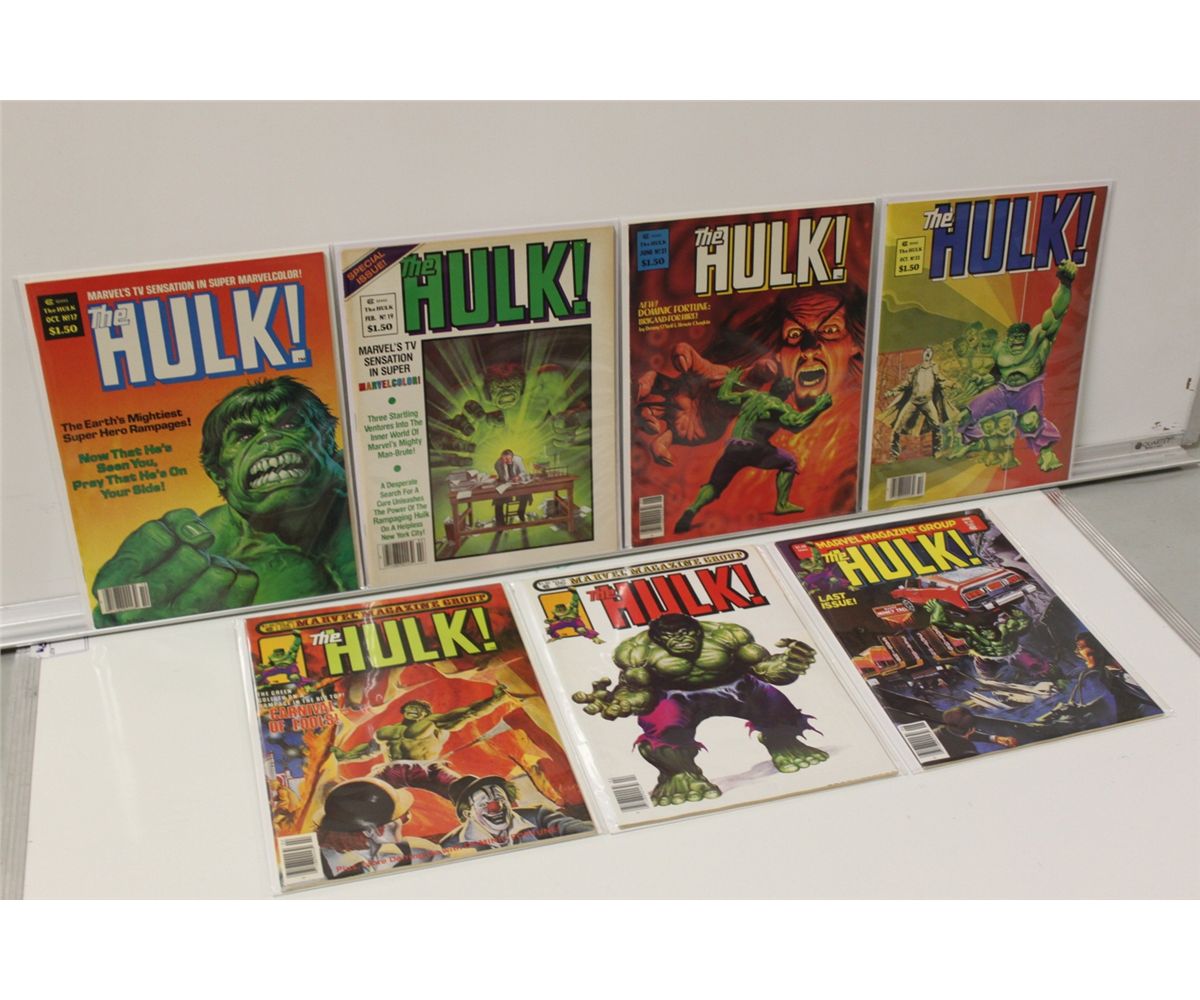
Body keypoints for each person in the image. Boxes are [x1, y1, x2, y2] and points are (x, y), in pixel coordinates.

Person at [91, 376, 355, 626]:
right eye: (244, 436)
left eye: (289, 425)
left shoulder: (364, 491)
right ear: (219, 475)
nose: (268, 437)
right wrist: (114, 619)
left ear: (328, 441)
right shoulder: (205, 554)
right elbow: (117, 612)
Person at [674, 367, 830, 533]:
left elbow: (723, 397)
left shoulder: (751, 395)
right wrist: (820, 406)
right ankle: (782, 504)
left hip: (733, 447)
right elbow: (797, 423)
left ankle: (692, 509)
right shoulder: (779, 407)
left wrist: (729, 381)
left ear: (773, 387)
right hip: (755, 450)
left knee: (714, 485)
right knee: (789, 461)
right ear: (787, 394)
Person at [439, 775, 593, 852]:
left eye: (500, 798)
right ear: (467, 814)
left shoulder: (539, 816)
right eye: (483, 803)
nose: (496, 807)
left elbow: (574, 828)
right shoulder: (452, 845)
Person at [493, 448, 530, 525]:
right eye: (503, 459)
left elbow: (523, 472)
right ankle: (500, 522)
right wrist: (505, 465)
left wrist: (518, 477)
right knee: (498, 499)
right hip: (505, 485)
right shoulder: (498, 464)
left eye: (508, 459)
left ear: (512, 457)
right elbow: (503, 478)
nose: (505, 461)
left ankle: (521, 512)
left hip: (517, 484)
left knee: (526, 493)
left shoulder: (518, 460)